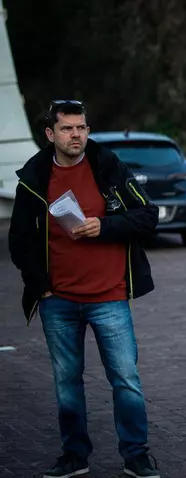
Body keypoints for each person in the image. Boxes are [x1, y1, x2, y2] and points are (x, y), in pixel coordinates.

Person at [8, 100, 161, 478]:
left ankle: (136, 455)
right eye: (67, 129)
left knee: (125, 379)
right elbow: (19, 240)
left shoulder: (108, 167)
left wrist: (103, 226)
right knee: (67, 383)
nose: (75, 135)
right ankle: (74, 455)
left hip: (109, 296)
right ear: (50, 134)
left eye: (81, 128)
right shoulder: (34, 177)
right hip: (57, 301)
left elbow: (147, 215)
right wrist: (41, 287)